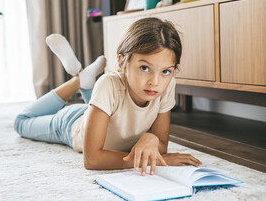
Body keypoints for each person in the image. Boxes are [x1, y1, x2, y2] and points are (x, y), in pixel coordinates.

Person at [14, 17, 202, 176]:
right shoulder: (107, 84)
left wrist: (150, 138)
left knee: (107, 103)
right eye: (144, 68)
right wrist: (157, 161)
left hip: (105, 114)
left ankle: (86, 81)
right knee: (22, 122)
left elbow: (161, 145)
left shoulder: (166, 85)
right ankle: (78, 81)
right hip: (72, 124)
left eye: (166, 71)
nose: (155, 82)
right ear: (122, 62)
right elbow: (92, 159)